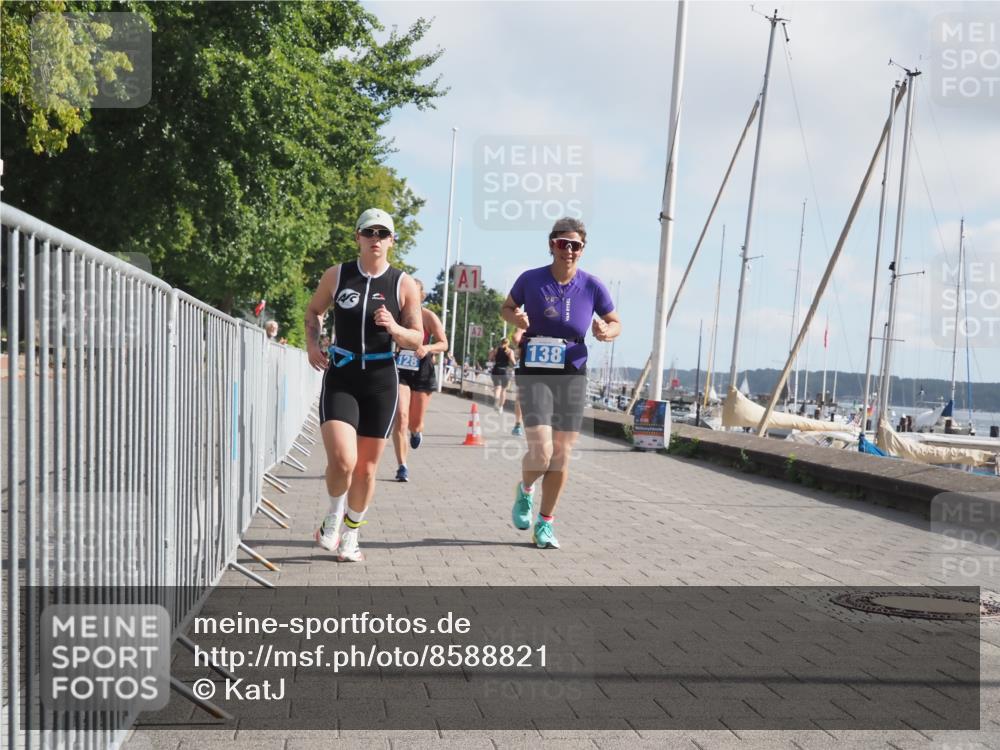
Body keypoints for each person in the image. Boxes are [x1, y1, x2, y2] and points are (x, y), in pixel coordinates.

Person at [305, 208, 423, 562]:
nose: (376, 239)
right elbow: (314, 312)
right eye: (369, 232)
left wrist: (395, 328)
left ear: (392, 241)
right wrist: (313, 344)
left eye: (382, 234)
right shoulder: (337, 275)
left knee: (367, 468)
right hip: (342, 373)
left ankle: (352, 535)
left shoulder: (404, 284)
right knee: (343, 461)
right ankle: (332, 517)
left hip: (380, 379)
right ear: (357, 236)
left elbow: (415, 338)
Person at [500, 217, 620, 549]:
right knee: (542, 452)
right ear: (551, 244)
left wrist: (606, 332)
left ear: (583, 250)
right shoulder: (531, 279)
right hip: (536, 370)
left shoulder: (592, 285)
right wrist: (516, 317)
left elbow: (615, 322)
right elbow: (506, 308)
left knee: (562, 456)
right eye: (562, 243)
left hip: (572, 372)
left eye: (575, 245)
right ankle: (525, 491)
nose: (568, 250)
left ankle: (545, 523)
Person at [392, 279, 448, 482]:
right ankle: (402, 466)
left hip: (422, 369)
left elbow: (444, 344)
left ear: (421, 295)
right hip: (400, 369)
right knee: (401, 416)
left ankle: (416, 432)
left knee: (414, 423)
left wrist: (427, 348)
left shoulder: (428, 316)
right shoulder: (397, 315)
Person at [490, 337, 516, 414]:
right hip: (505, 370)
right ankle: (501, 407)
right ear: (508, 343)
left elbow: (490, 358)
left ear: (501, 342)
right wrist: (515, 365)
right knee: (503, 390)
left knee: (497, 388)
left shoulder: (496, 349)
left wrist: (494, 357)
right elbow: (513, 361)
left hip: (496, 369)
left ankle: (496, 401)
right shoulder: (510, 351)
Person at [510, 328, 525, 436]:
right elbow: (516, 339)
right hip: (524, 366)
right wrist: (521, 328)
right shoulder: (526, 325)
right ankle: (518, 424)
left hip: (548, 367)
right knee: (520, 396)